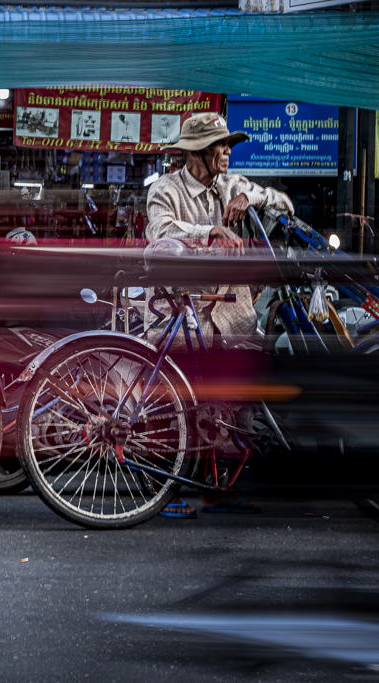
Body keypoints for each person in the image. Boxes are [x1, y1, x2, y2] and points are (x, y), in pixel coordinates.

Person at [144, 111, 294, 519]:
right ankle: (164, 489)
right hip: (179, 308)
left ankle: (219, 488)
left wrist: (250, 199)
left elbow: (283, 202)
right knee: (177, 401)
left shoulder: (232, 185)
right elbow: (159, 231)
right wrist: (208, 231)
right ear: (195, 153)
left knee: (232, 397)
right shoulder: (165, 189)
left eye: (228, 145)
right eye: (218, 146)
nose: (227, 152)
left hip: (231, 309)